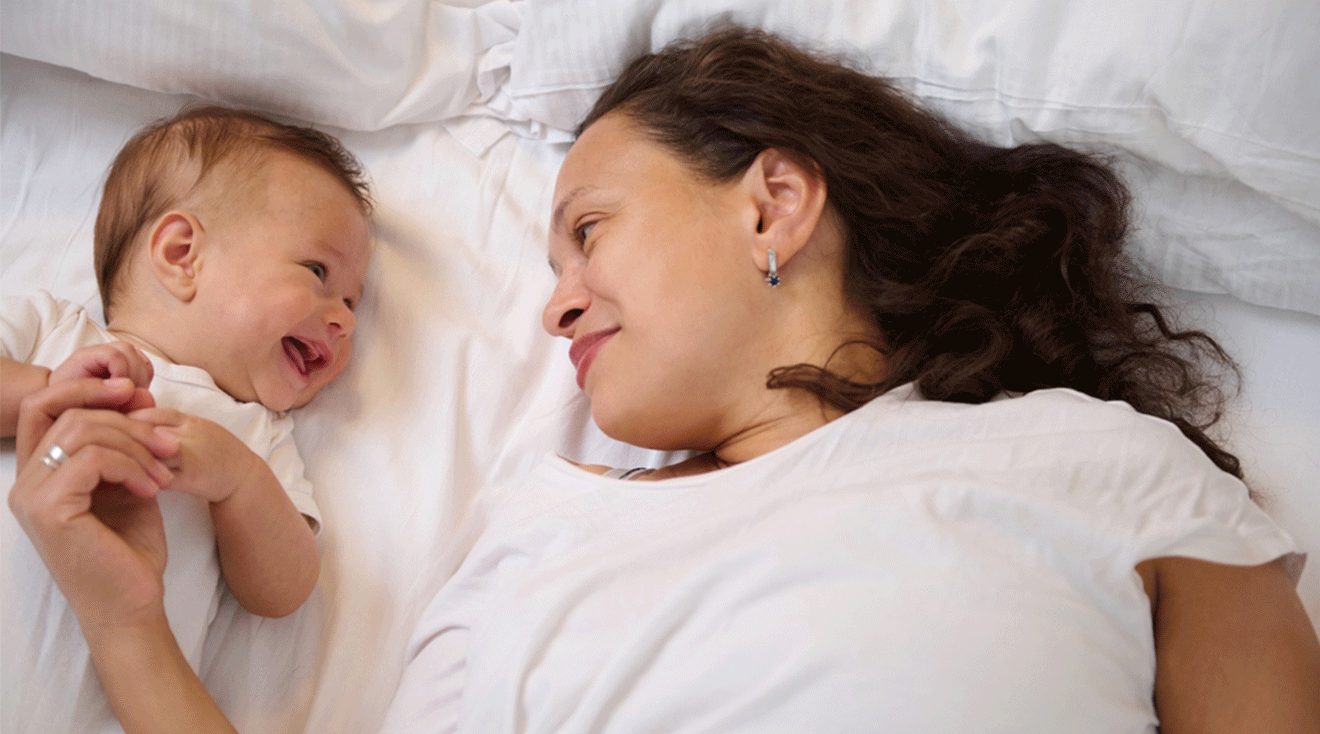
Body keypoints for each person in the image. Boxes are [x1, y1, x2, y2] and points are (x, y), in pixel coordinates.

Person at [8, 26, 1320, 734]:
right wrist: (125, 621)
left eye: (590, 229)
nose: (554, 296)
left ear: (777, 204)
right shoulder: (521, 547)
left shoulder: (1101, 468)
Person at [2, 105, 372, 733]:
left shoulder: (254, 434)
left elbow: (282, 593)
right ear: (181, 254)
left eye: (352, 301)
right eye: (317, 272)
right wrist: (47, 390)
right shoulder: (53, 330)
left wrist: (238, 483)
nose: (345, 319)